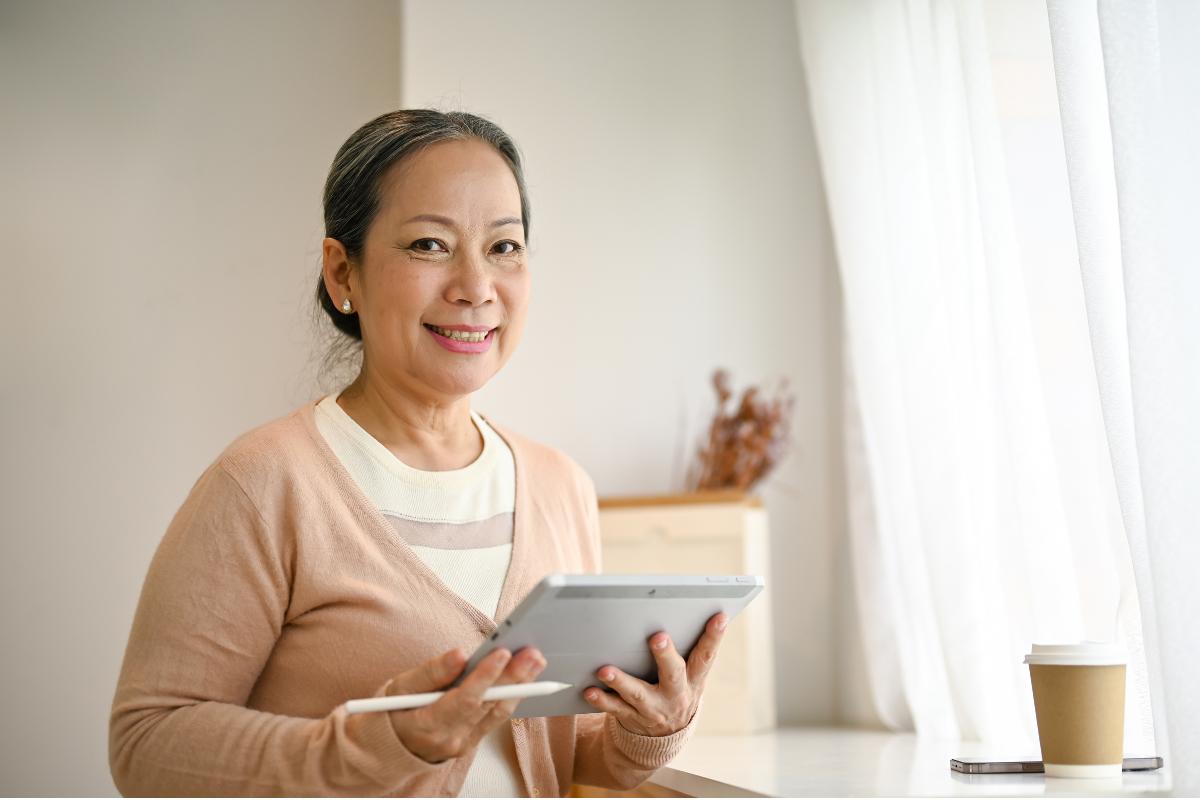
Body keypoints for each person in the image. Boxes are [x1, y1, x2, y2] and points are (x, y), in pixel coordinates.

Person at [108, 109, 727, 797]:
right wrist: (383, 746)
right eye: (430, 245)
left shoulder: (561, 487)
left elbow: (554, 751)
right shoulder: (264, 483)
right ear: (343, 273)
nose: (476, 287)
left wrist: (643, 731)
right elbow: (147, 747)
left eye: (504, 246)